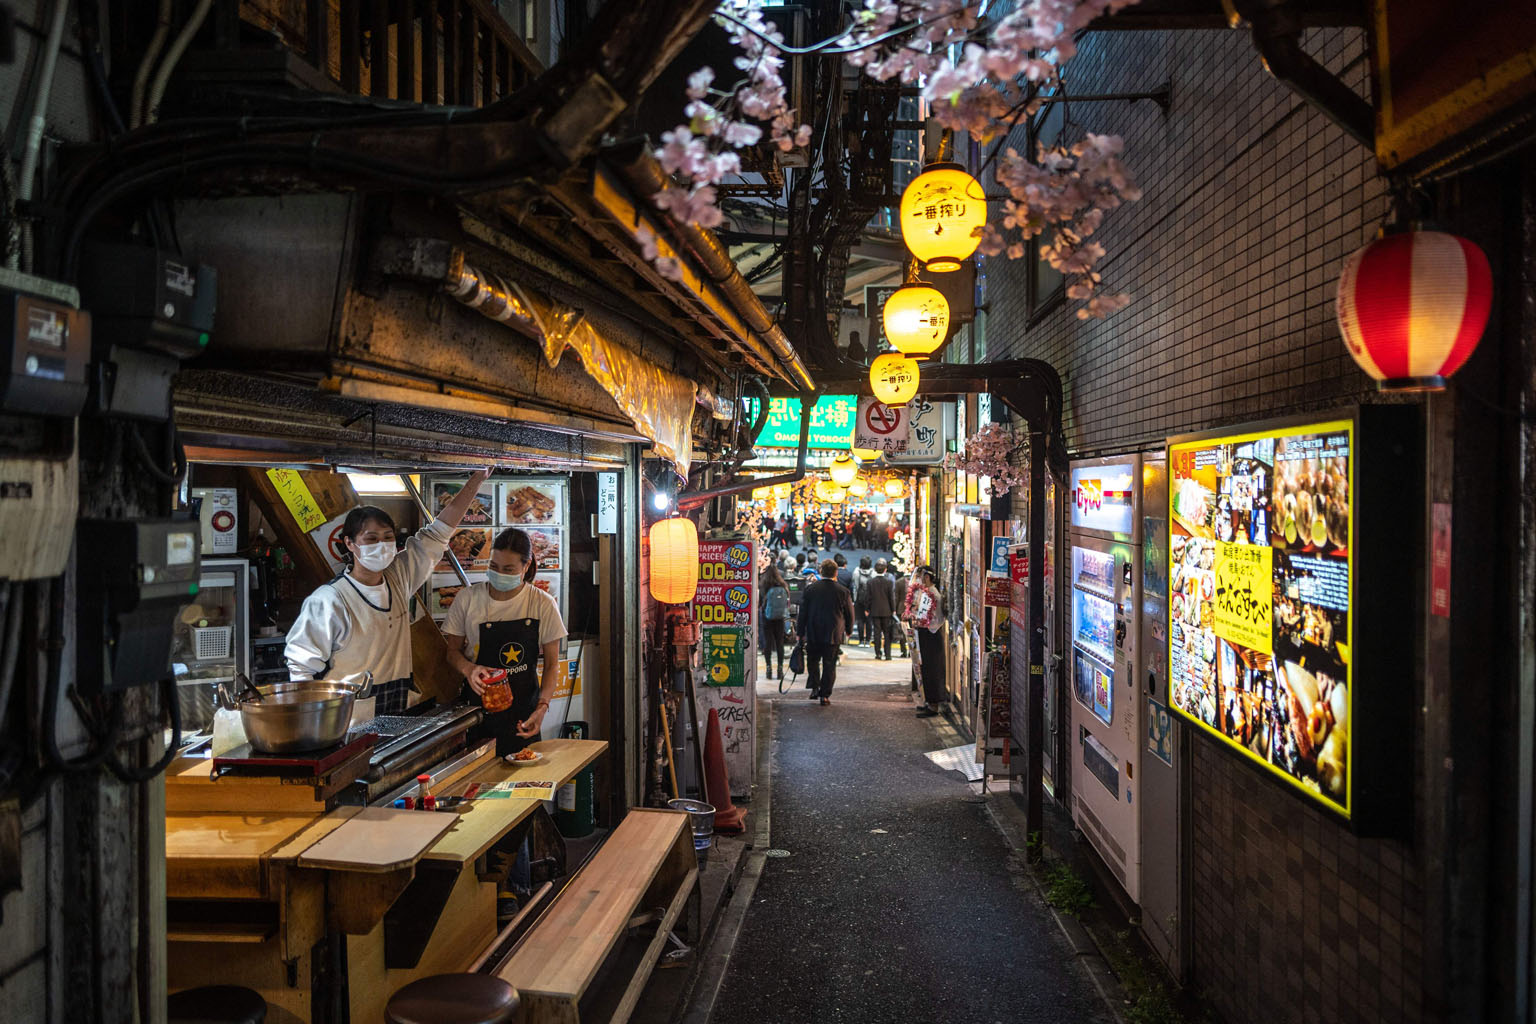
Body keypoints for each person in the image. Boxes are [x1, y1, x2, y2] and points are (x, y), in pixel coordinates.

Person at [285, 469, 491, 718]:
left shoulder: (399, 576)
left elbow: (440, 531)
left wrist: (477, 479)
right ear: (350, 543)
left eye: (388, 537)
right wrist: (314, 723)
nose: (381, 545)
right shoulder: (328, 600)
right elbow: (301, 669)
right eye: (371, 539)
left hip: (398, 706)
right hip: (348, 717)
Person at [439, 527, 567, 755]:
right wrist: (469, 669)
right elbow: (452, 652)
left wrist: (542, 707)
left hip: (524, 713)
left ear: (526, 566)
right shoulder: (467, 598)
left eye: (509, 569)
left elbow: (552, 665)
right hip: (476, 715)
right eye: (494, 567)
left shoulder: (542, 603)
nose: (500, 574)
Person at [796, 558, 854, 706]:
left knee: (813, 661)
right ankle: (825, 695)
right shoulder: (843, 591)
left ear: (821, 572)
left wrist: (800, 631)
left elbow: (803, 612)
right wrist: (848, 630)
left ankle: (815, 688)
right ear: (835, 573)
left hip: (813, 632)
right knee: (829, 664)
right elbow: (849, 613)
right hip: (833, 634)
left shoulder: (810, 589)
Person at [904, 566, 948, 716]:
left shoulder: (934, 595)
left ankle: (933, 705)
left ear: (927, 577)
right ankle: (929, 702)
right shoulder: (926, 593)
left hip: (931, 636)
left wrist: (926, 626)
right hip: (925, 634)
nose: (919, 579)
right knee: (926, 669)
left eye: (921, 576)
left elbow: (938, 619)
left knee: (932, 669)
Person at [759, 563, 790, 680]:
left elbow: (760, 602)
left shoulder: (764, 585)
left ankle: (768, 669)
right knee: (779, 643)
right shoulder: (782, 584)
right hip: (780, 618)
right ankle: (780, 670)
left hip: (767, 618)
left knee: (768, 643)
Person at [866, 559, 898, 660]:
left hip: (875, 610)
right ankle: (888, 654)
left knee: (877, 633)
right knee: (887, 633)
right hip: (887, 610)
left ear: (875, 570)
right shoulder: (889, 582)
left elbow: (868, 597)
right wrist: (893, 609)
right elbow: (891, 597)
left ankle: (878, 653)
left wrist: (867, 609)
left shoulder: (870, 582)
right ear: (885, 570)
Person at [889, 564, 910, 657]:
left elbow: (895, 598)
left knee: (902, 631)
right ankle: (912, 651)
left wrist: (894, 609)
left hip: (901, 609)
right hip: (913, 610)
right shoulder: (916, 582)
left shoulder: (898, 582)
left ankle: (904, 651)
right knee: (912, 631)